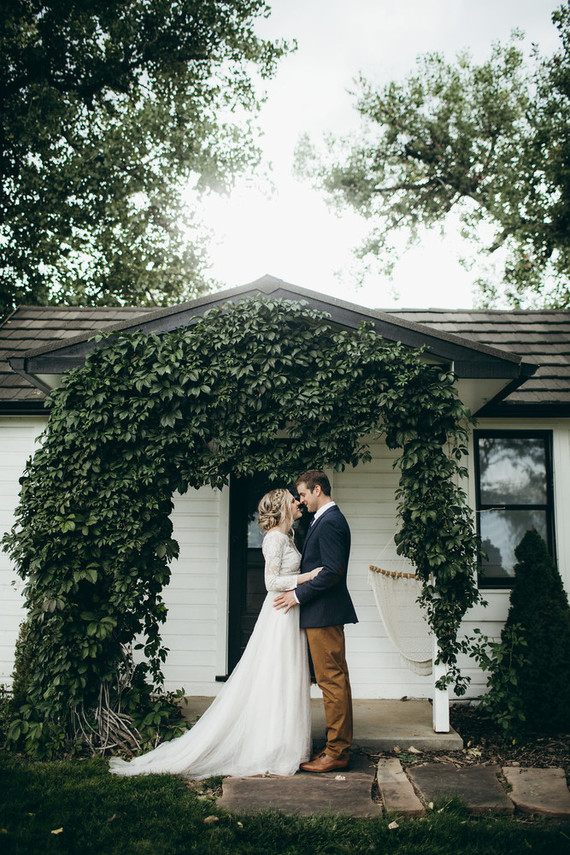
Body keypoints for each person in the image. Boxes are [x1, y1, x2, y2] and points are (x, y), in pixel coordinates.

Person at [109, 488, 322, 779]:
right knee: (276, 676)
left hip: (289, 611)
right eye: (293, 499)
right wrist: (307, 577)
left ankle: (286, 742)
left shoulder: (287, 537)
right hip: (279, 615)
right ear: (283, 507)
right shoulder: (273, 539)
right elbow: (271, 581)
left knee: (287, 677)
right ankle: (272, 746)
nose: (298, 503)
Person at [274, 469, 357, 773]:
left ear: (318, 489)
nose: (301, 500)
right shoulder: (323, 520)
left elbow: (332, 571)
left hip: (324, 613)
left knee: (331, 681)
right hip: (323, 613)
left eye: (304, 494)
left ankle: (336, 751)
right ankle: (338, 745)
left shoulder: (331, 521)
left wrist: (297, 595)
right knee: (337, 680)